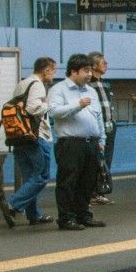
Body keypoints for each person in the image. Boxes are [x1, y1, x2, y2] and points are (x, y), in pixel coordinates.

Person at [47, 53, 106, 230]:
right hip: (70, 143)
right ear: (73, 71)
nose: (89, 74)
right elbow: (53, 112)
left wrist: (101, 139)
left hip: (92, 143)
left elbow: (99, 117)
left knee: (87, 182)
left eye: (90, 70)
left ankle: (83, 215)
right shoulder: (58, 90)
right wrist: (77, 106)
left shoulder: (91, 91)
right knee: (68, 182)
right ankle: (66, 218)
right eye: (86, 71)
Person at [2, 56, 58, 228]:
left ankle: (34, 215)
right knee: (41, 177)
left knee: (30, 178)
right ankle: (13, 204)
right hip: (35, 136)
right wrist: (48, 104)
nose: (53, 75)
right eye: (53, 71)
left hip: (19, 138)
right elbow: (32, 108)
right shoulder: (37, 85)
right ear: (46, 70)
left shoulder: (23, 83)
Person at [89, 51, 116, 203]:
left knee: (106, 161)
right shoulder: (89, 84)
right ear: (94, 65)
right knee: (96, 161)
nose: (106, 65)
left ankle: (100, 190)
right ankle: (93, 192)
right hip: (99, 128)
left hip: (109, 125)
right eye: (103, 62)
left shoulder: (103, 83)